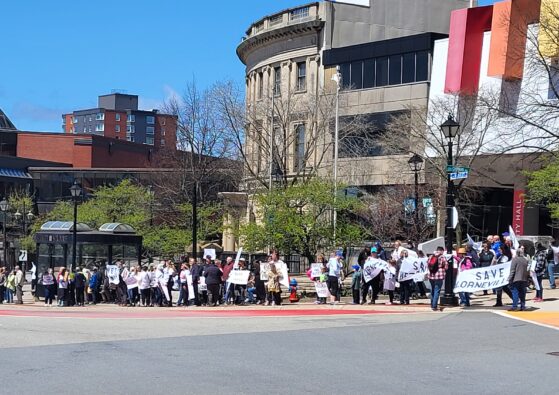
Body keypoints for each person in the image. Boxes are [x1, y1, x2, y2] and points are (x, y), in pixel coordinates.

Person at [428, 246, 448, 312]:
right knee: (437, 291)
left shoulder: (431, 256)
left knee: (432, 290)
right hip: (439, 276)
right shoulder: (442, 257)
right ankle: (434, 306)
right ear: (442, 251)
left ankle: (432, 304)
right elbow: (446, 266)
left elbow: (427, 265)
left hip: (431, 276)